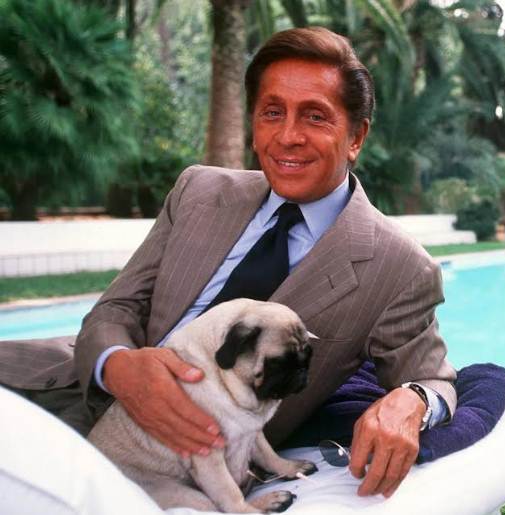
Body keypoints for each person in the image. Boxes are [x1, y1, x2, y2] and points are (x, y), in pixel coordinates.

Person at [0, 27, 456, 500]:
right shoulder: (197, 190)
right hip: (63, 391)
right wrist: (117, 367)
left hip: (186, 467)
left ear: (356, 136)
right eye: (272, 112)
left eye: (315, 116)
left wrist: (413, 401)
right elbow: (116, 309)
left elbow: (434, 379)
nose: (288, 137)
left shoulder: (400, 268)